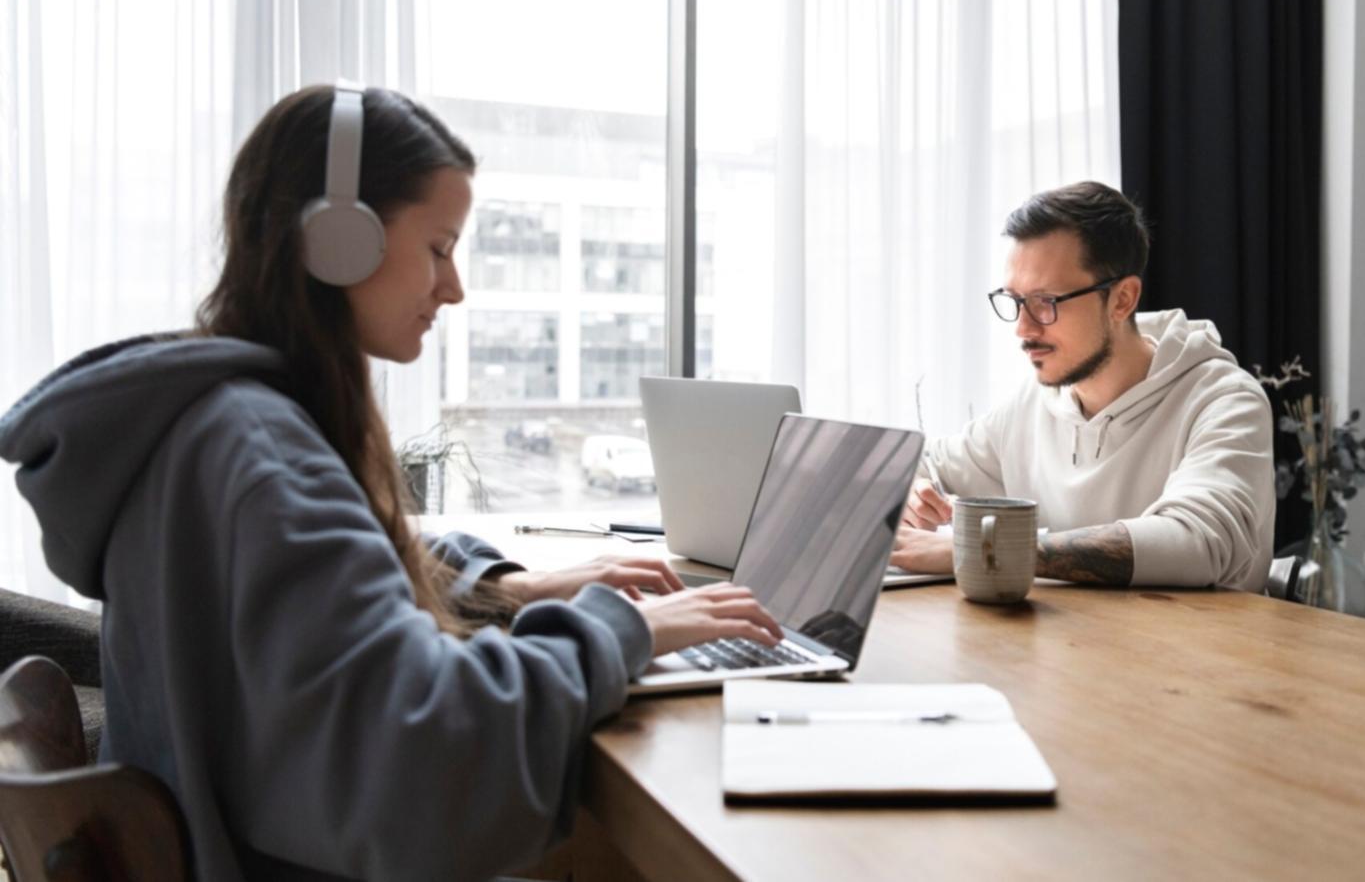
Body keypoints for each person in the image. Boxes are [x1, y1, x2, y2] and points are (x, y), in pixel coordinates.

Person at [0, 85, 781, 881]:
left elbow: (339, 550)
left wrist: (513, 586)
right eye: (439, 247)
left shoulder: (209, 424)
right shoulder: (262, 455)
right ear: (341, 240)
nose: (455, 287)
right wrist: (625, 631)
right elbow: (428, 754)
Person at [891, 181, 1275, 592]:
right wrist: (916, 491)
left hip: (1197, 650)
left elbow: (1198, 541)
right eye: (1015, 300)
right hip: (1069, 647)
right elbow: (925, 463)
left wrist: (986, 551)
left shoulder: (1225, 401)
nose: (1023, 328)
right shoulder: (1032, 404)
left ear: (1122, 299)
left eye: (1046, 302)